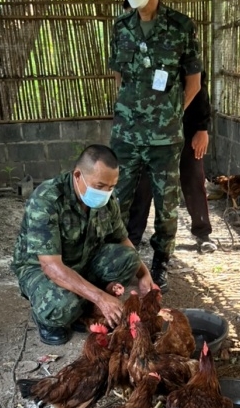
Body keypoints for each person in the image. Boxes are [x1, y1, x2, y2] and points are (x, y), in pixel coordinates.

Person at [108, 0, 203, 290]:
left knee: (167, 205)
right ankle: (121, 261)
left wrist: (173, 114)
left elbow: (194, 82)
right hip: (127, 136)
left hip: (165, 136)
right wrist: (133, 111)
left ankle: (161, 261)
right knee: (118, 201)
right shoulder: (121, 26)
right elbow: (119, 76)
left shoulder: (181, 26)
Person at [11, 145, 156, 346]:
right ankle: (47, 318)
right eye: (100, 185)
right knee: (62, 305)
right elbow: (50, 266)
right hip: (42, 269)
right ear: (78, 175)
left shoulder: (107, 200)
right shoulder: (47, 200)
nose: (106, 192)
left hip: (83, 260)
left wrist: (144, 274)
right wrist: (101, 297)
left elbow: (122, 239)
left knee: (129, 258)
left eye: (111, 186)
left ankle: (85, 306)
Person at [126, 69, 215, 253]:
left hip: (187, 130)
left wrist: (202, 129)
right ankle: (132, 238)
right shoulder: (144, 56)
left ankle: (202, 233)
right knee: (143, 183)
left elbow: (200, 90)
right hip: (151, 133)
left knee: (194, 179)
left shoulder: (186, 55)